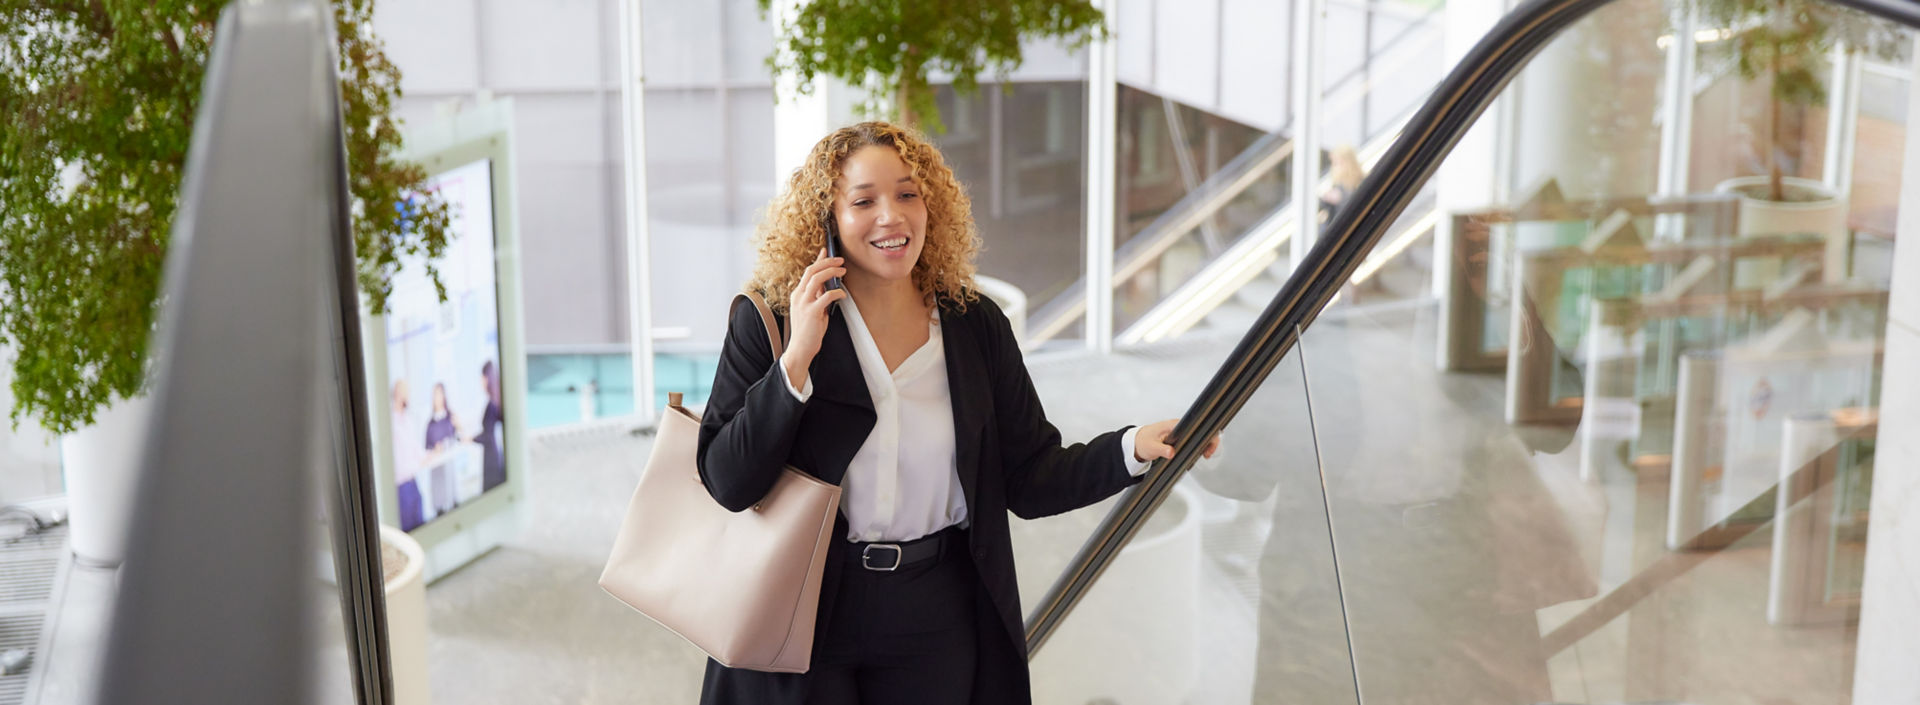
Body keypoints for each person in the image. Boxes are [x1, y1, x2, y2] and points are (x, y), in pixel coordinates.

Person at [694, 121, 1221, 705]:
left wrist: (1134, 447)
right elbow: (727, 482)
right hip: (806, 607)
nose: (891, 216)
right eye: (863, 200)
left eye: (907, 194)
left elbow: (1030, 475)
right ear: (826, 219)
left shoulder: (974, 324)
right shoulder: (773, 320)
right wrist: (796, 363)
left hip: (936, 611)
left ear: (932, 207)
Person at [470, 360, 506, 491]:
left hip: (492, 461)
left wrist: (471, 439)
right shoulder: (496, 402)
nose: (481, 382)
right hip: (496, 457)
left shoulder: (491, 405)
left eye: (482, 378)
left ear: (487, 379)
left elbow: (487, 436)